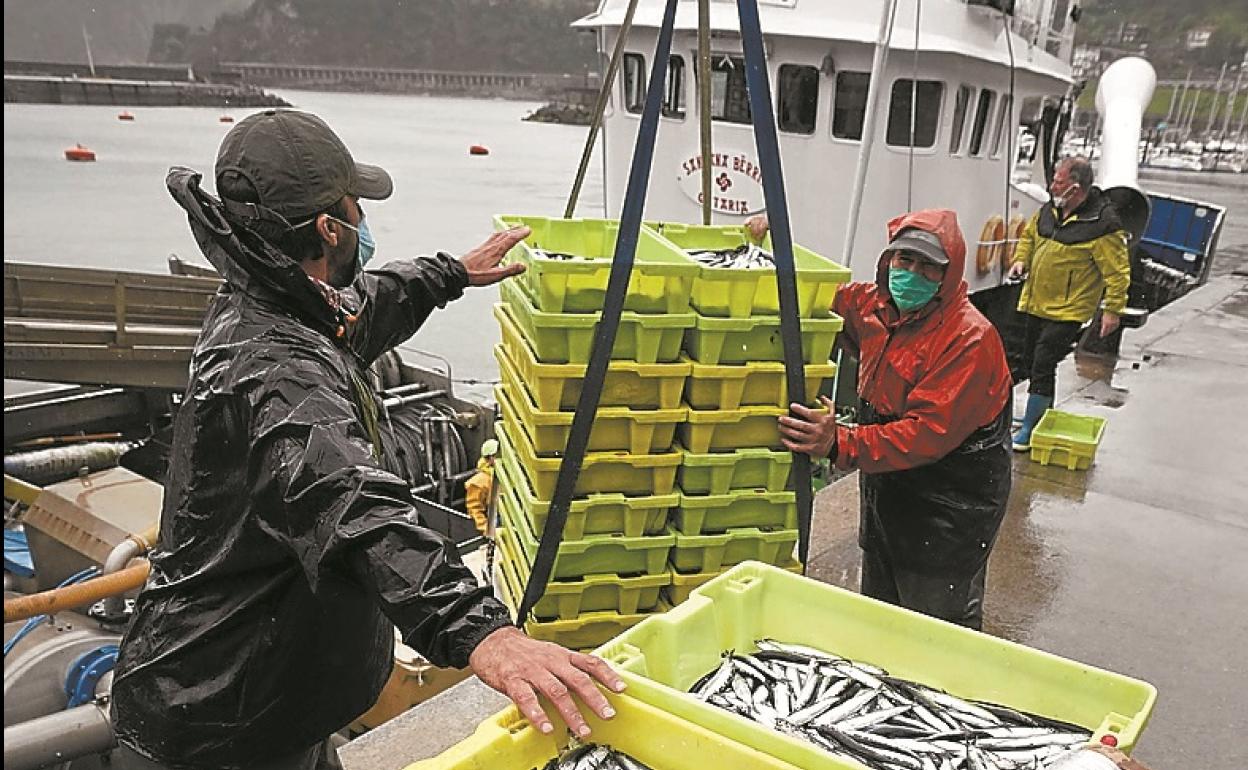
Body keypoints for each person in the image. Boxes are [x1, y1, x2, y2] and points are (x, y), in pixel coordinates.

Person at [111, 110, 623, 770]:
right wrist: (481, 632)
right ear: (329, 228)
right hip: (216, 729)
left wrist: (449, 274)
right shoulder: (274, 372)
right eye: (355, 209)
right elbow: (351, 504)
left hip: (267, 701)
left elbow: (354, 315)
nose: (363, 224)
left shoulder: (275, 300)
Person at [755, 209, 1013, 630]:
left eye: (929, 266)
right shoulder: (871, 305)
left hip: (952, 504)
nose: (912, 274)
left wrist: (839, 442)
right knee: (880, 614)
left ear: (948, 276)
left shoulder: (970, 339)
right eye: (904, 260)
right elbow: (815, 293)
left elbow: (925, 434)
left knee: (936, 624)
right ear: (888, 260)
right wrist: (770, 248)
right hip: (889, 490)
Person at [1006, 156, 1131, 451]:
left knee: (1043, 362)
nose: (1052, 186)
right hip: (1036, 300)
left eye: (1058, 182)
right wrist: (1021, 260)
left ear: (1075, 189)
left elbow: (1117, 271)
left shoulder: (1103, 225)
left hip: (1069, 308)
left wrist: (1113, 310)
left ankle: (1029, 430)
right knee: (1027, 360)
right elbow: (1029, 238)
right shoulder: (1049, 211)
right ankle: (1037, 417)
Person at [466, 438, 499, 535]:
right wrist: (486, 529)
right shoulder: (479, 482)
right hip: (493, 524)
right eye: (497, 456)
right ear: (489, 458)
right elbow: (474, 510)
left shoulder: (505, 474)